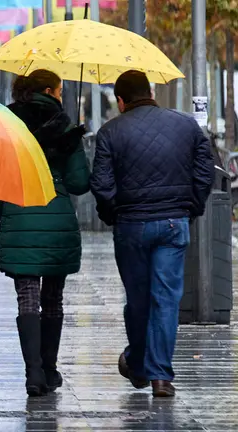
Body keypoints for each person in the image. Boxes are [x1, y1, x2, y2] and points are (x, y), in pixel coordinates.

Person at [90, 70, 213, 398]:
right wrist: (192, 208)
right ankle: (159, 376)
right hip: (174, 223)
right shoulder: (186, 125)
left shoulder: (109, 132)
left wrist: (115, 213)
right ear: (151, 91)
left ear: (120, 100)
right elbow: (205, 171)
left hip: (131, 226)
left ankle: (140, 364)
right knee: (166, 299)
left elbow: (102, 185)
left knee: (139, 299)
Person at [0, 69, 90, 397]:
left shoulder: (4, 125)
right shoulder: (65, 127)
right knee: (53, 298)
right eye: (59, 89)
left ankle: (33, 374)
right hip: (57, 223)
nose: (61, 95)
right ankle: (50, 368)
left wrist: (3, 210)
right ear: (48, 90)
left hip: (20, 216)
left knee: (26, 297)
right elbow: (79, 183)